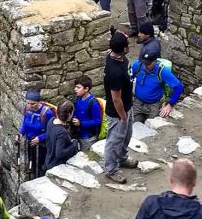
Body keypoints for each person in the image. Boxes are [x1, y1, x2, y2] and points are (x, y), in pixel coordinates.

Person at [103, 32, 137, 182]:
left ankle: (122, 158)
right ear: (123, 49)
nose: (129, 46)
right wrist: (123, 116)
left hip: (127, 106)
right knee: (114, 141)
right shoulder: (114, 71)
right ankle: (111, 169)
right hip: (118, 113)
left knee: (126, 136)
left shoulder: (119, 57)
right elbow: (116, 99)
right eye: (127, 45)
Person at [130, 40, 184, 123]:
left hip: (153, 106)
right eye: (144, 63)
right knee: (133, 125)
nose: (145, 66)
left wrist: (170, 104)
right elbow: (129, 79)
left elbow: (179, 86)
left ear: (155, 61)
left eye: (148, 64)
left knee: (151, 127)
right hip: (137, 103)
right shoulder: (138, 65)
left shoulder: (162, 71)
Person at [19, 90, 55, 180]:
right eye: (28, 103)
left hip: (42, 145)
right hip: (30, 142)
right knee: (31, 160)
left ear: (39, 102)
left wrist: (40, 138)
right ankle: (32, 175)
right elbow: (25, 122)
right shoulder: (27, 109)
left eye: (33, 104)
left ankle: (40, 178)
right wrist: (20, 133)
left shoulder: (47, 113)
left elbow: (52, 131)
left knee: (41, 164)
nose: (30, 106)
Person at [42, 100, 79, 174]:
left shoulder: (51, 121)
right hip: (57, 166)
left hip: (49, 160)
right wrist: (74, 144)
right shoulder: (62, 133)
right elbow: (59, 153)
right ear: (70, 114)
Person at [72, 75, 103, 151]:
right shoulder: (78, 98)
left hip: (88, 138)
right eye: (75, 87)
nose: (75, 89)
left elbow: (97, 121)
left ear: (86, 89)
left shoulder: (93, 103)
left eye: (78, 87)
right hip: (78, 134)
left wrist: (81, 123)